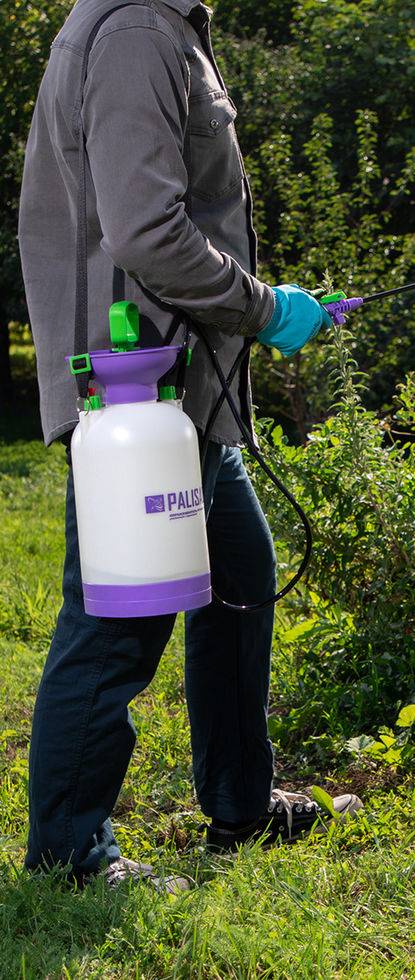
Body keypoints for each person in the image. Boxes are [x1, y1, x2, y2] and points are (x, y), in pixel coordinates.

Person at [18, 0, 360, 891]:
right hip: (145, 389)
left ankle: (243, 807)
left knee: (240, 573)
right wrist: (262, 306)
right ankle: (70, 857)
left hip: (184, 387)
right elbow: (144, 232)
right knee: (115, 622)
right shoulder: (136, 33)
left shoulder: (158, 25)